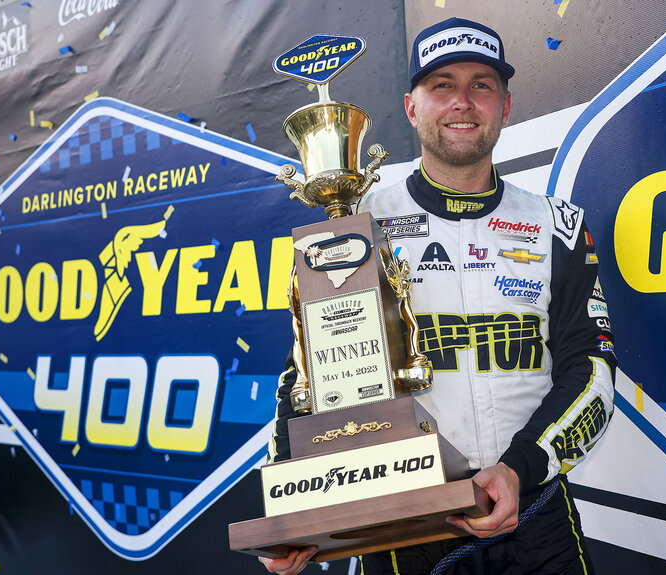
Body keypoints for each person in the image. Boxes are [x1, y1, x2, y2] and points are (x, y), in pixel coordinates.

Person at [261, 17, 616, 575]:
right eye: (442, 85)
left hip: (533, 508)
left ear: (505, 105)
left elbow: (592, 370)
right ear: (411, 107)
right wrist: (291, 502)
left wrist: (519, 470)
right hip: (404, 519)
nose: (462, 102)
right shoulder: (360, 222)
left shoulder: (558, 225)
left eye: (482, 85)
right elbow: (308, 371)